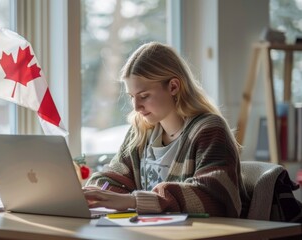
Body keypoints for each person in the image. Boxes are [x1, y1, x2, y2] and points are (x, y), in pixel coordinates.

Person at [83, 42, 249, 217]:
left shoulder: (209, 130)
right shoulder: (141, 131)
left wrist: (134, 201)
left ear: (173, 87)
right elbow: (112, 177)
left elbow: (213, 198)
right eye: (131, 97)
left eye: (144, 96)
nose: (136, 106)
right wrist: (95, 192)